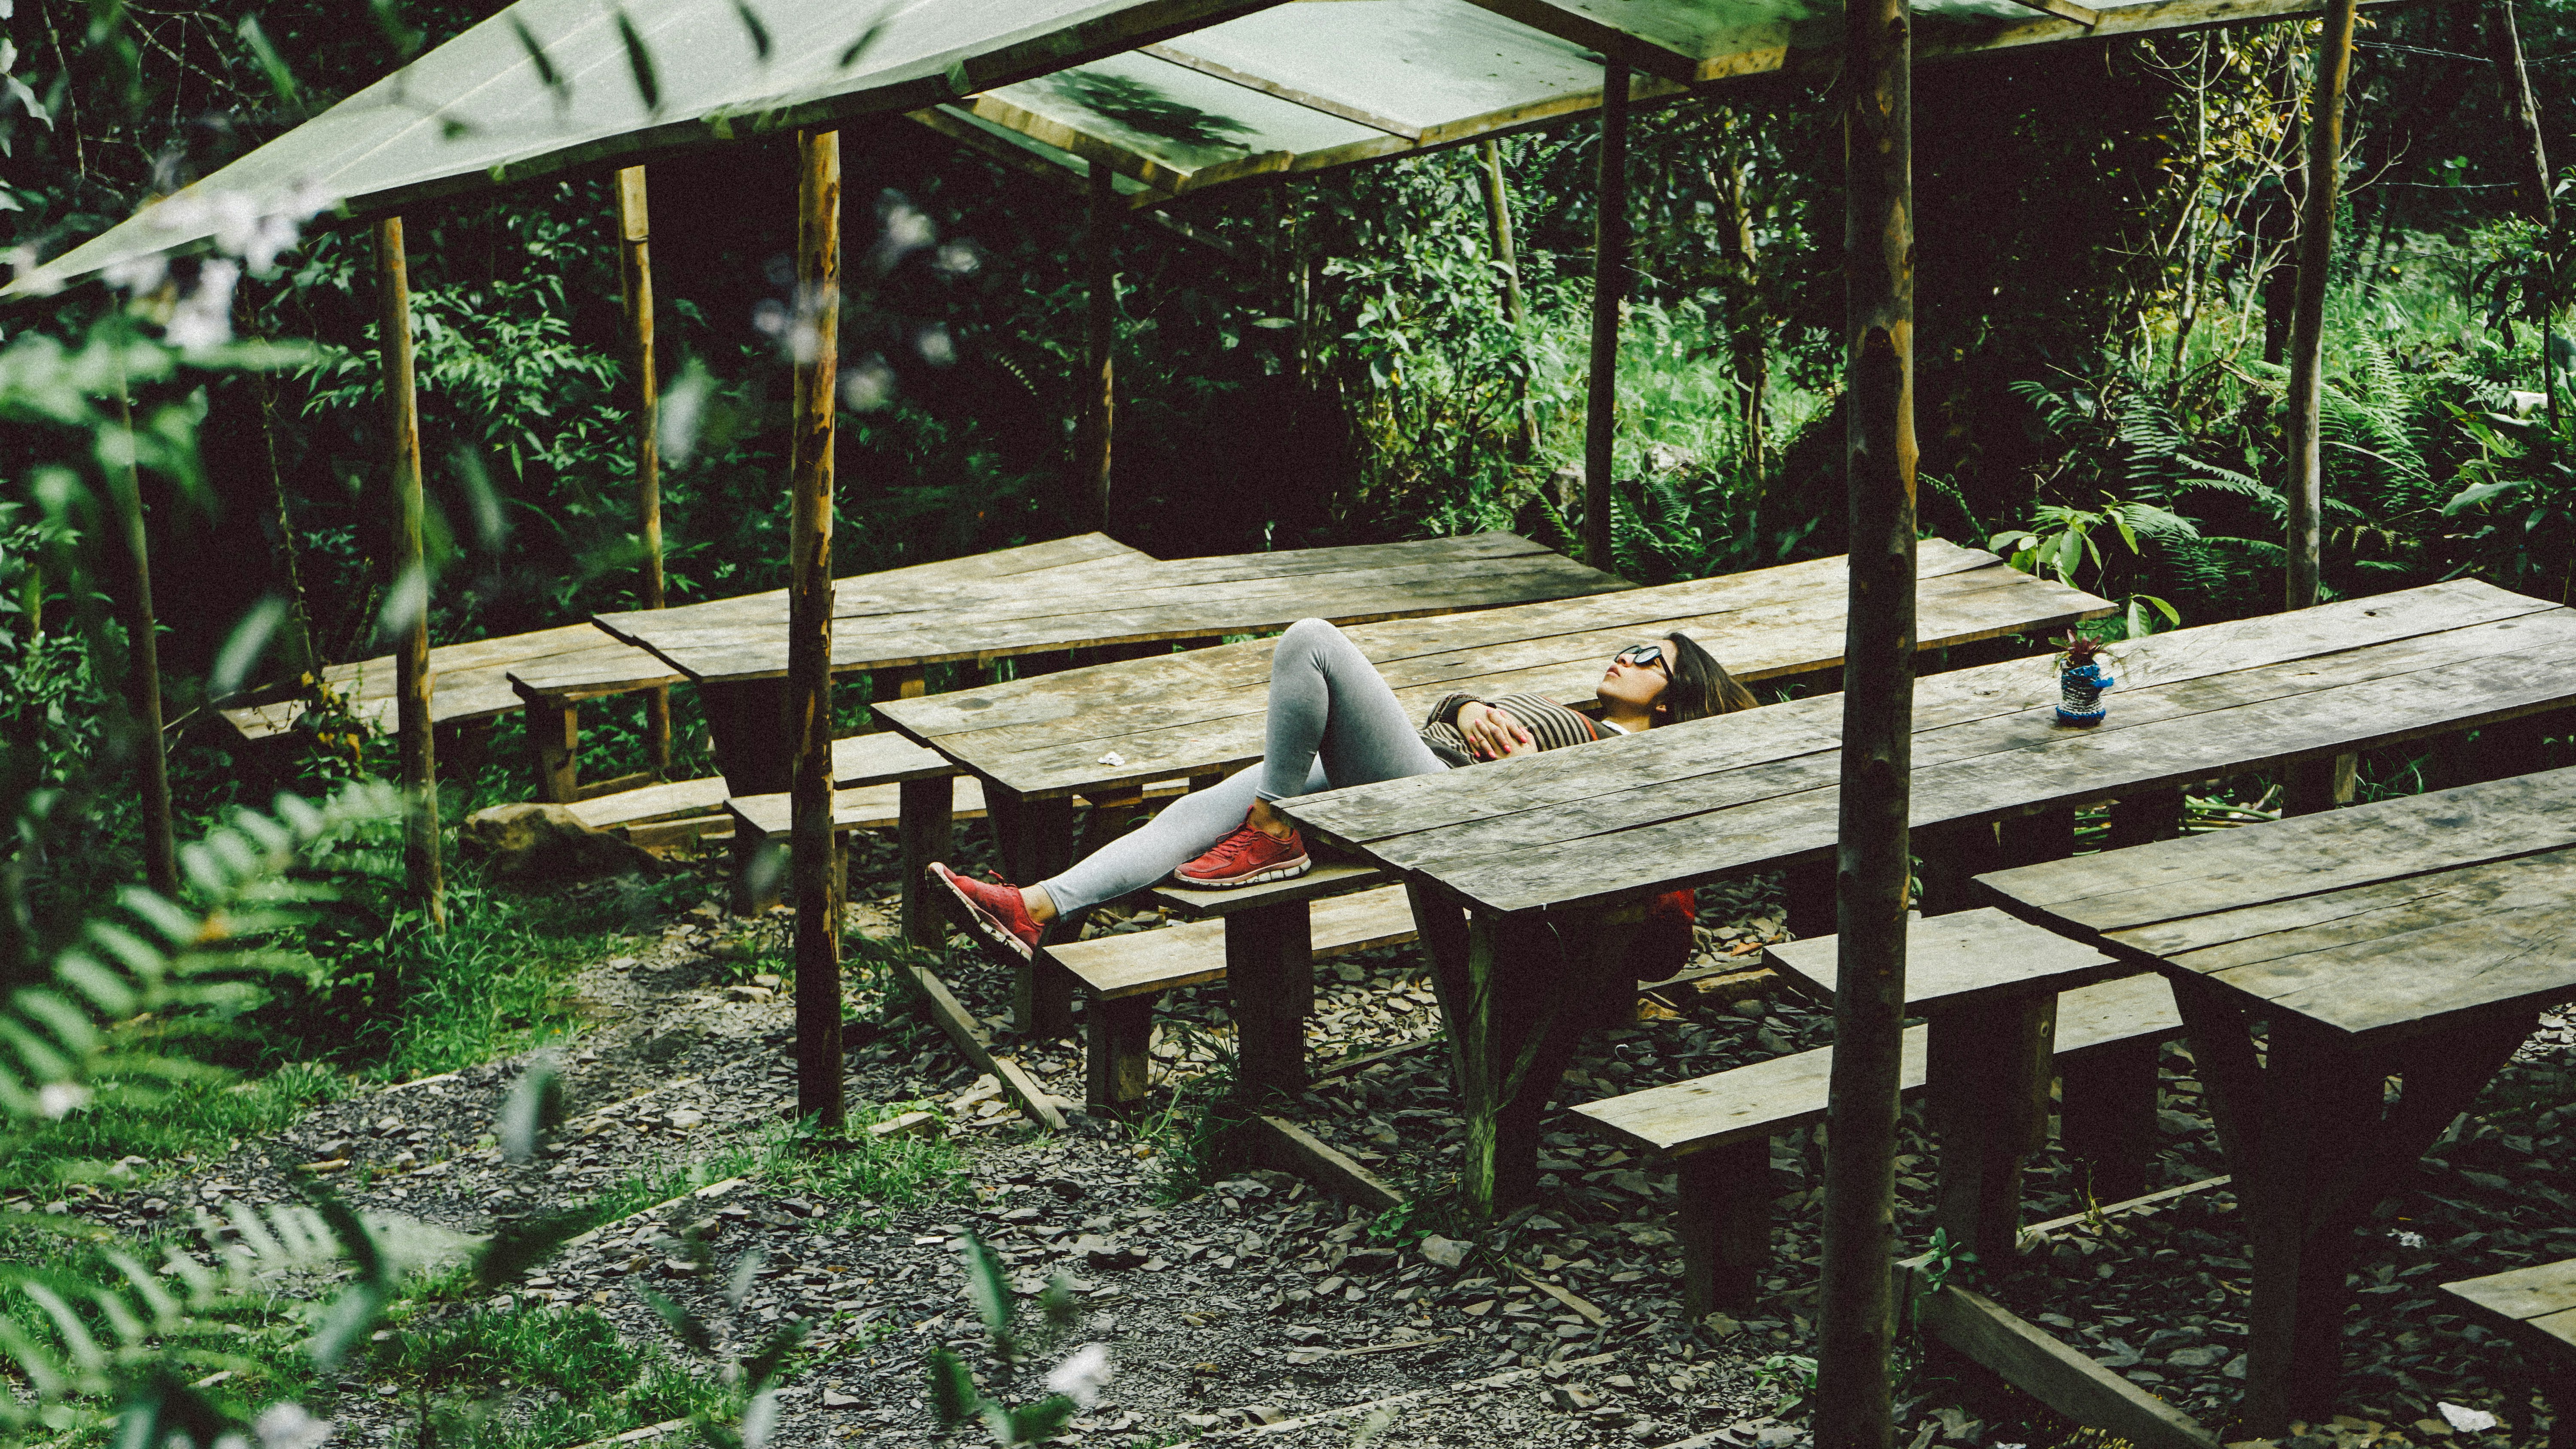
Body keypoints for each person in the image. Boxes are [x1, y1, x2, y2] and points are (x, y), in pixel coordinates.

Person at [928, 616, 1759, 966]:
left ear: (1676, 698)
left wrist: (1532, 783)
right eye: (1634, 644)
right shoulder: (1580, 715)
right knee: (1208, 801)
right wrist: (1466, 706)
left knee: (1311, 643)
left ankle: (1276, 826)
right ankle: (1034, 909)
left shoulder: (1634, 762)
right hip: (1423, 774)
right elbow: (1440, 715)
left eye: (1656, 660)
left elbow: (1597, 844)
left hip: (1455, 816)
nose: (1633, 656)